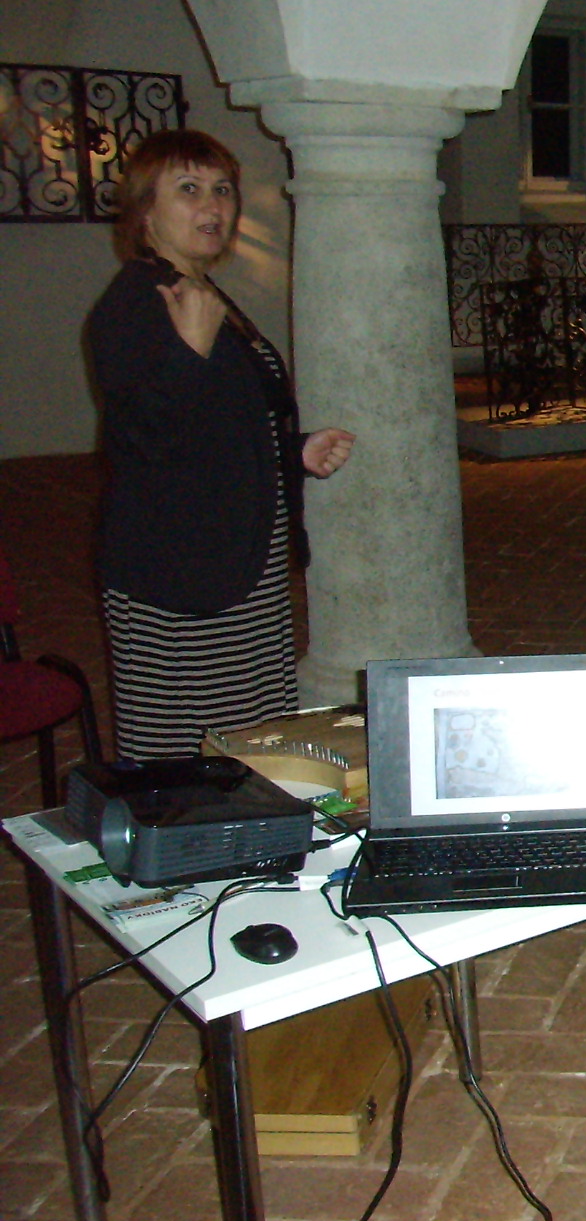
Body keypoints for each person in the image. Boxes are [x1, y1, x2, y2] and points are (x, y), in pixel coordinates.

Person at [86, 129, 354, 758]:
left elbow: (221, 424)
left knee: (251, 742)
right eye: (188, 189)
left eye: (223, 189)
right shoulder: (134, 304)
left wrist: (294, 452)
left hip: (237, 561)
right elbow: (142, 441)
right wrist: (189, 351)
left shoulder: (204, 296)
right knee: (191, 756)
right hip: (180, 575)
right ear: (145, 211)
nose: (212, 205)